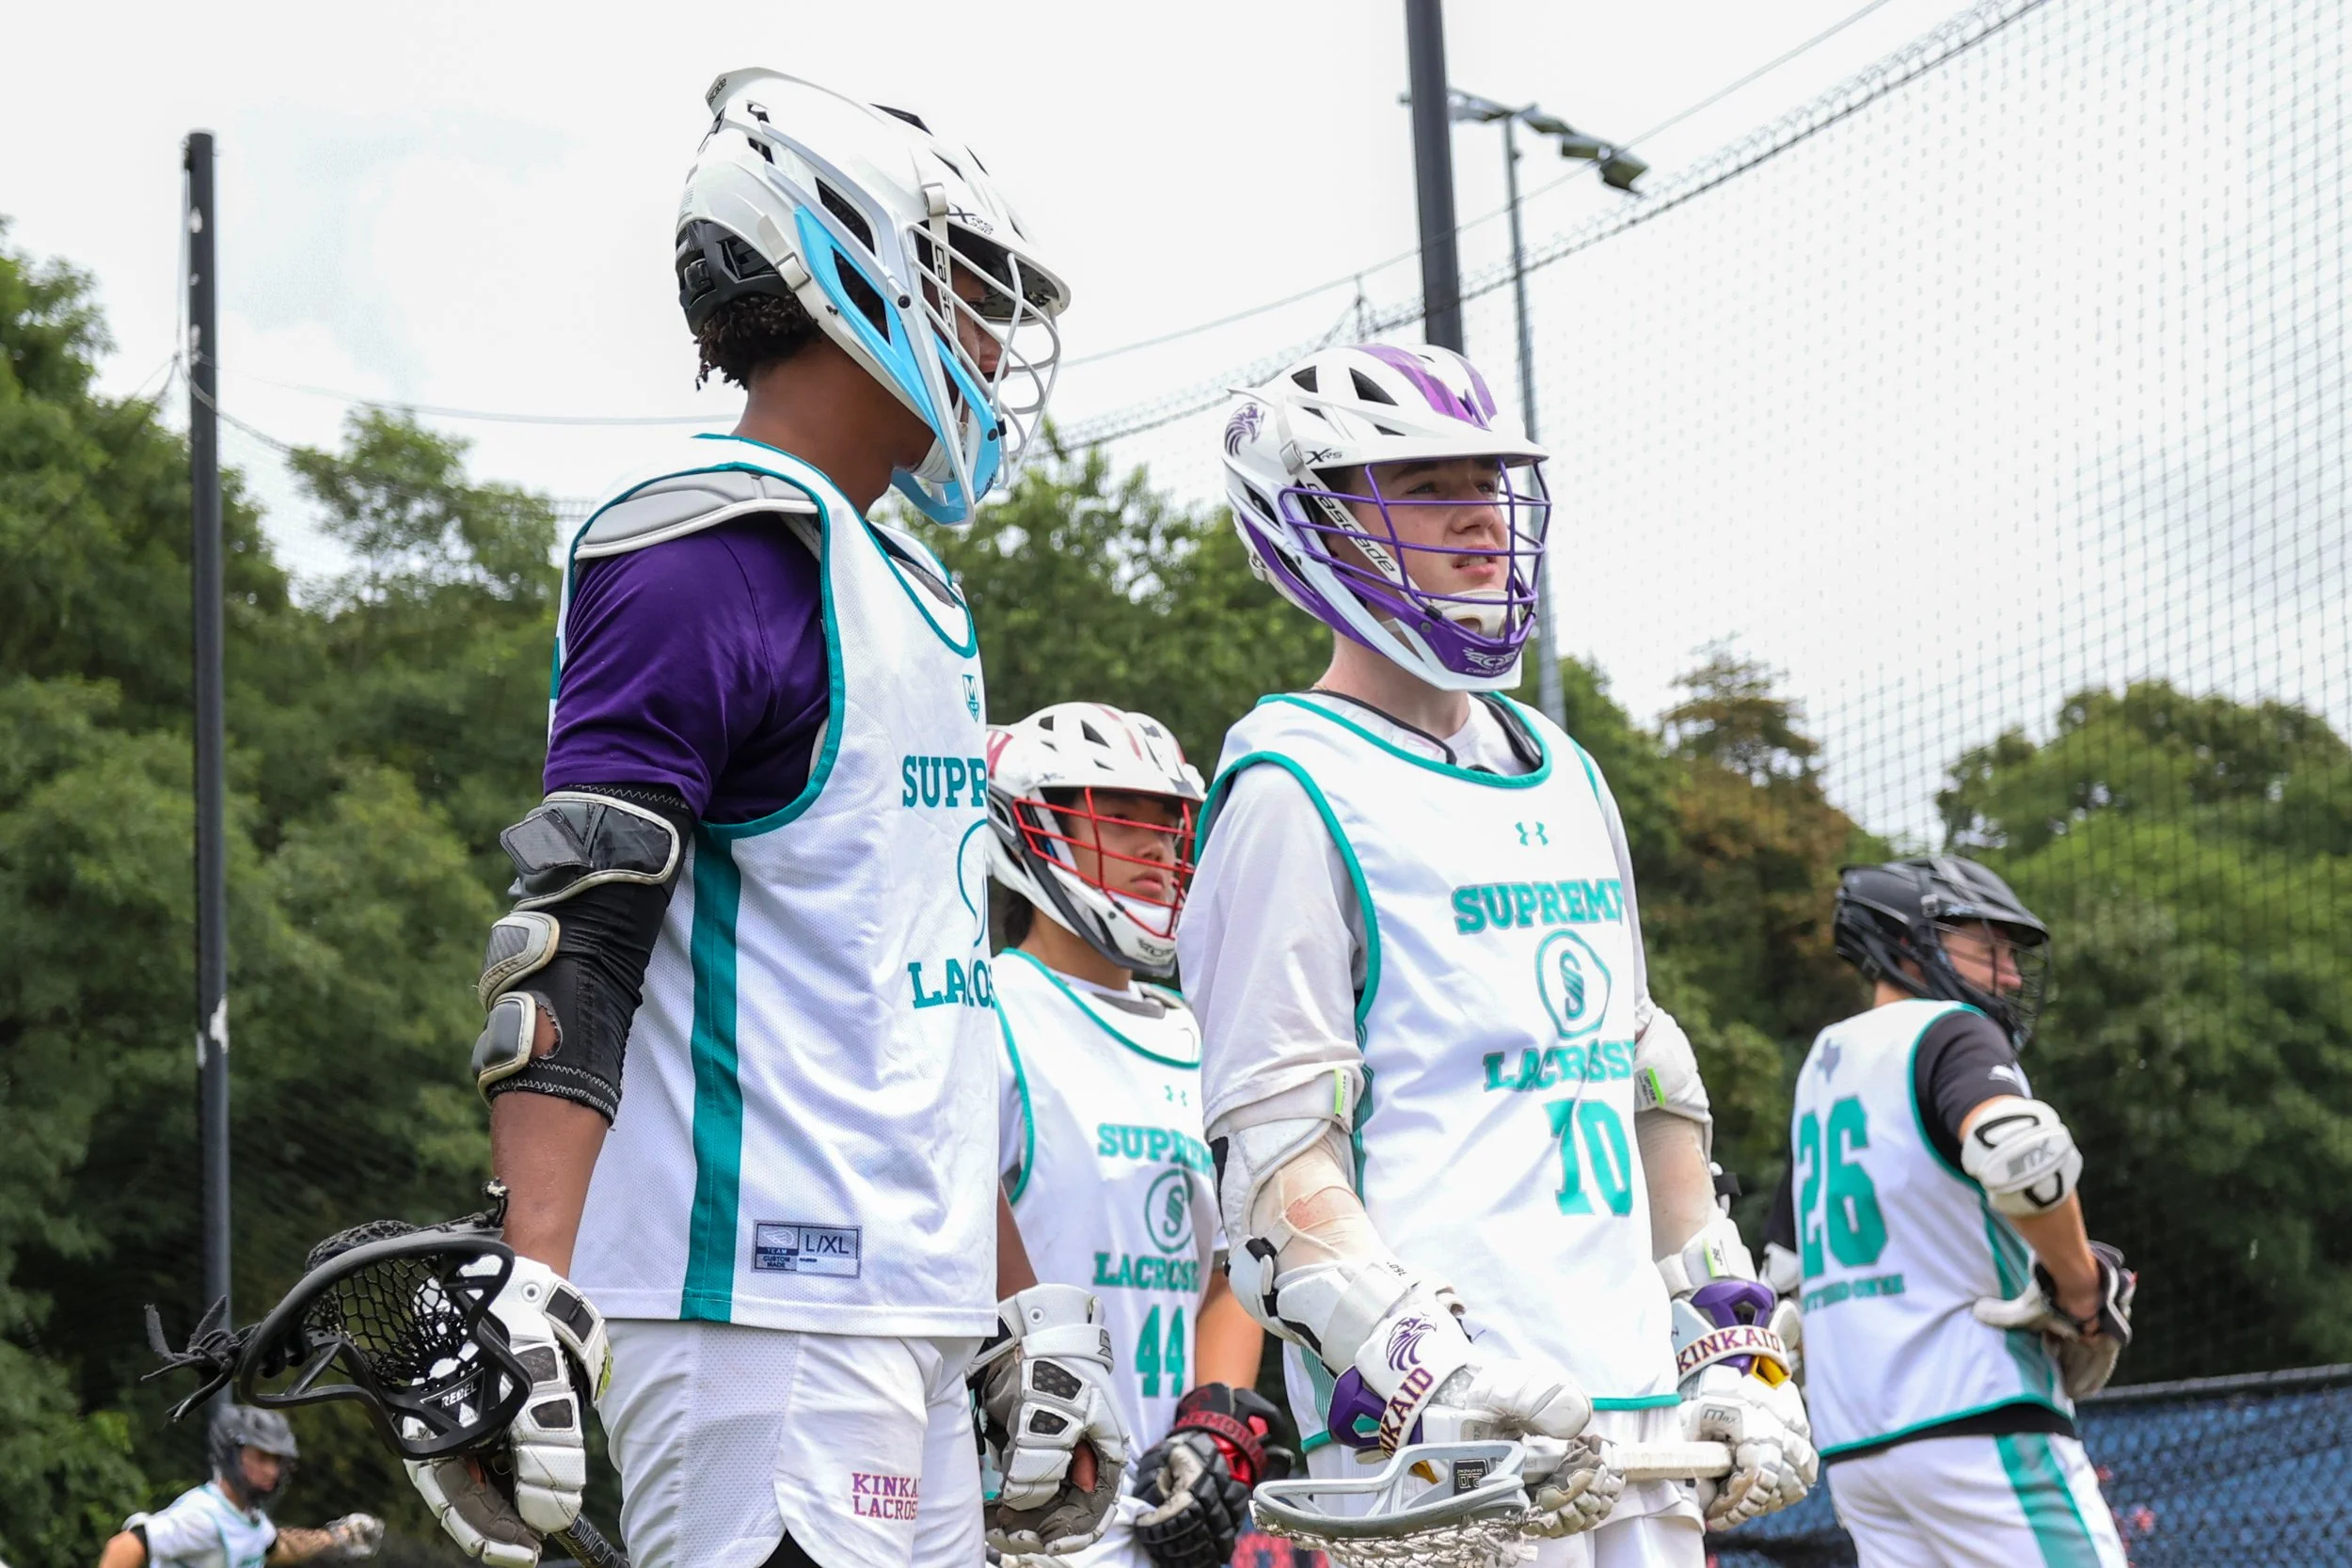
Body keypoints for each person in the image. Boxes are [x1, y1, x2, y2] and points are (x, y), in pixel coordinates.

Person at [405, 71, 1128, 1568]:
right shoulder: (709, 545)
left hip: (900, 1314)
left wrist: (1011, 1301)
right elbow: (578, 929)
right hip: (761, 1317)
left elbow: (907, 1006)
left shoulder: (909, 586)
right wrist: (534, 1285)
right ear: (840, 257)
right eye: (969, 281)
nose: (992, 338)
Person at [1182, 343, 1816, 1568]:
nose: (1477, 509)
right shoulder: (1287, 785)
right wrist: (1432, 1382)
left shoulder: (1567, 769)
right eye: (1423, 484)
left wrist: (1731, 1341)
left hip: (1639, 1440)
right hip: (1449, 1465)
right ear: (1313, 520)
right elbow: (1275, 1160)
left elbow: (1641, 1074)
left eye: (1487, 476)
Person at [1767, 856, 2135, 1567]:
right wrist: (2081, 1288)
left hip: (1859, 1448)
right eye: (1988, 947)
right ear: (1908, 940)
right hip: (1978, 1415)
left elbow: (1785, 1273)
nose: (2011, 974)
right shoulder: (1952, 1030)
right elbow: (2023, 1155)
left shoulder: (1825, 1062)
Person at [983, 704, 1285, 1568]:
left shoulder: (1199, 1038)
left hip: (1162, 1520)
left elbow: (1232, 1268)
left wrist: (1209, 1425)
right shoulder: (990, 1012)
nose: (1156, 847)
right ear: (1032, 822)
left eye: (1168, 823)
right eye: (1121, 818)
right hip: (1018, 1516)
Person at [98, 1406, 380, 1568]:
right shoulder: (202, 1518)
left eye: (277, 1460)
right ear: (231, 1453)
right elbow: (125, 1547)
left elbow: (277, 1546)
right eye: (261, 1457)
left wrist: (339, 1537)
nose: (271, 1470)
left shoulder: (246, 1519)